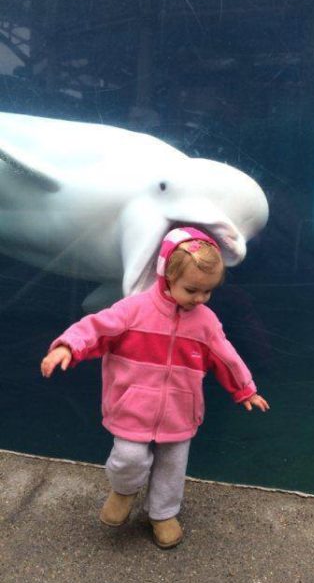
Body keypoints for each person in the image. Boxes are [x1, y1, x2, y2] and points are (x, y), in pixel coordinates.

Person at [41, 227, 269, 549]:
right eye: (192, 290)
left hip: (180, 411)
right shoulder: (133, 310)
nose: (200, 299)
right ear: (166, 276)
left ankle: (163, 513)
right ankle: (124, 491)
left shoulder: (205, 322)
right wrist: (68, 347)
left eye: (208, 292)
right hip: (132, 407)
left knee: (172, 467)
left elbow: (225, 356)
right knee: (129, 456)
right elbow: (94, 328)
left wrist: (245, 389)